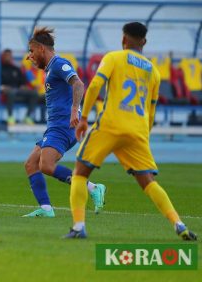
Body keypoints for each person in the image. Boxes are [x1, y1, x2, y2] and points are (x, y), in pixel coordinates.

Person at [66, 22, 197, 240]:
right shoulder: (154, 72)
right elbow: (152, 110)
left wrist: (85, 118)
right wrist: (144, 133)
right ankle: (179, 224)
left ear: (123, 40)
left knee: (80, 173)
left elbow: (96, 85)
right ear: (144, 42)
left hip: (111, 124)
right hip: (137, 130)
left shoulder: (114, 57)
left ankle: (79, 227)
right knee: (148, 182)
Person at [22, 27, 105, 218]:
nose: (30, 56)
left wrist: (75, 109)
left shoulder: (59, 64)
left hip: (63, 126)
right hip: (54, 126)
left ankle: (92, 188)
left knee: (47, 166)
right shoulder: (50, 68)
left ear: (42, 49)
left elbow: (78, 83)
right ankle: (45, 209)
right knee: (31, 164)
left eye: (32, 51)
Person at [0, 49, 40, 125]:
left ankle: (28, 117)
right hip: (6, 92)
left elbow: (23, 83)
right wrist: (2, 87)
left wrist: (24, 87)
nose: (8, 57)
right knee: (12, 92)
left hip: (18, 91)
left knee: (34, 93)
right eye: (6, 56)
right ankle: (10, 117)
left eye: (9, 55)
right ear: (3, 57)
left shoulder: (16, 69)